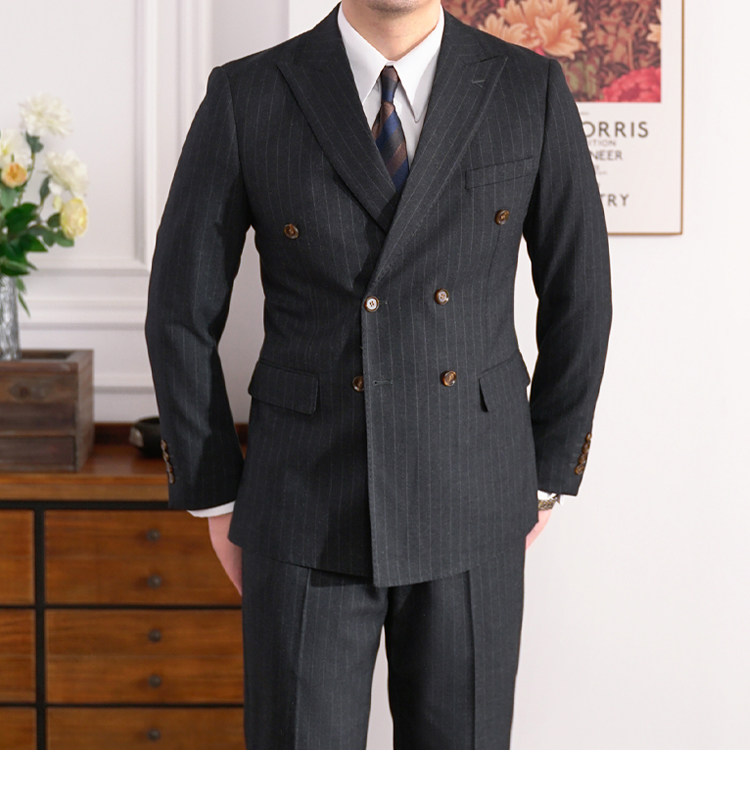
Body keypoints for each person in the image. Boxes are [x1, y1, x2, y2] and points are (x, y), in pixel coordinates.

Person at [144, 0, 612, 749]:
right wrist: (215, 495)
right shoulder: (249, 93)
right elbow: (179, 310)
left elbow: (580, 296)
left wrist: (546, 475)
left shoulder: (528, 88)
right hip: (302, 501)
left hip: (474, 493)